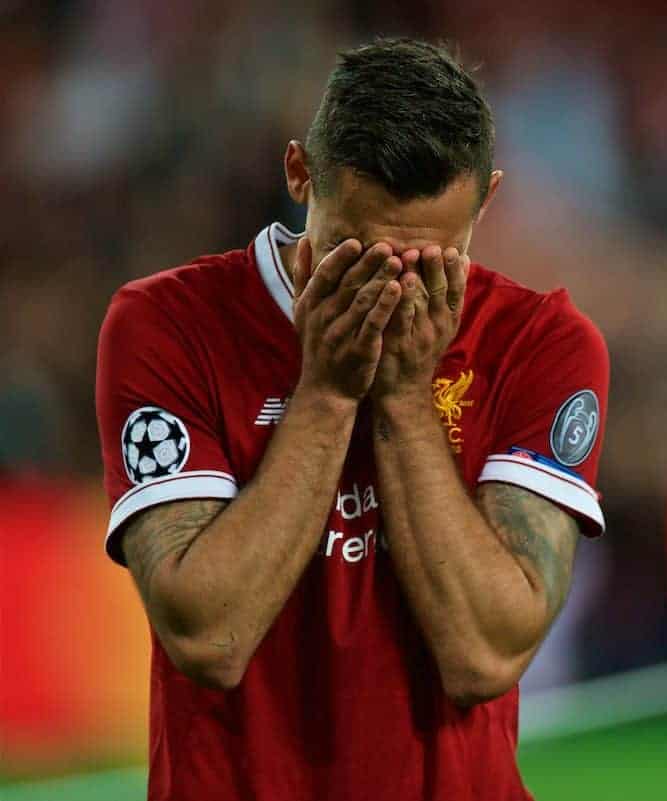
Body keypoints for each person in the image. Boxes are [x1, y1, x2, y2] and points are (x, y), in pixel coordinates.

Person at [95, 38, 608, 801]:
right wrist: (329, 393)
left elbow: (484, 655)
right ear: (299, 173)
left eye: (430, 262)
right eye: (355, 255)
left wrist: (402, 396)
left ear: (486, 200)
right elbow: (210, 637)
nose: (391, 292)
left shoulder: (540, 347)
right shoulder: (169, 325)